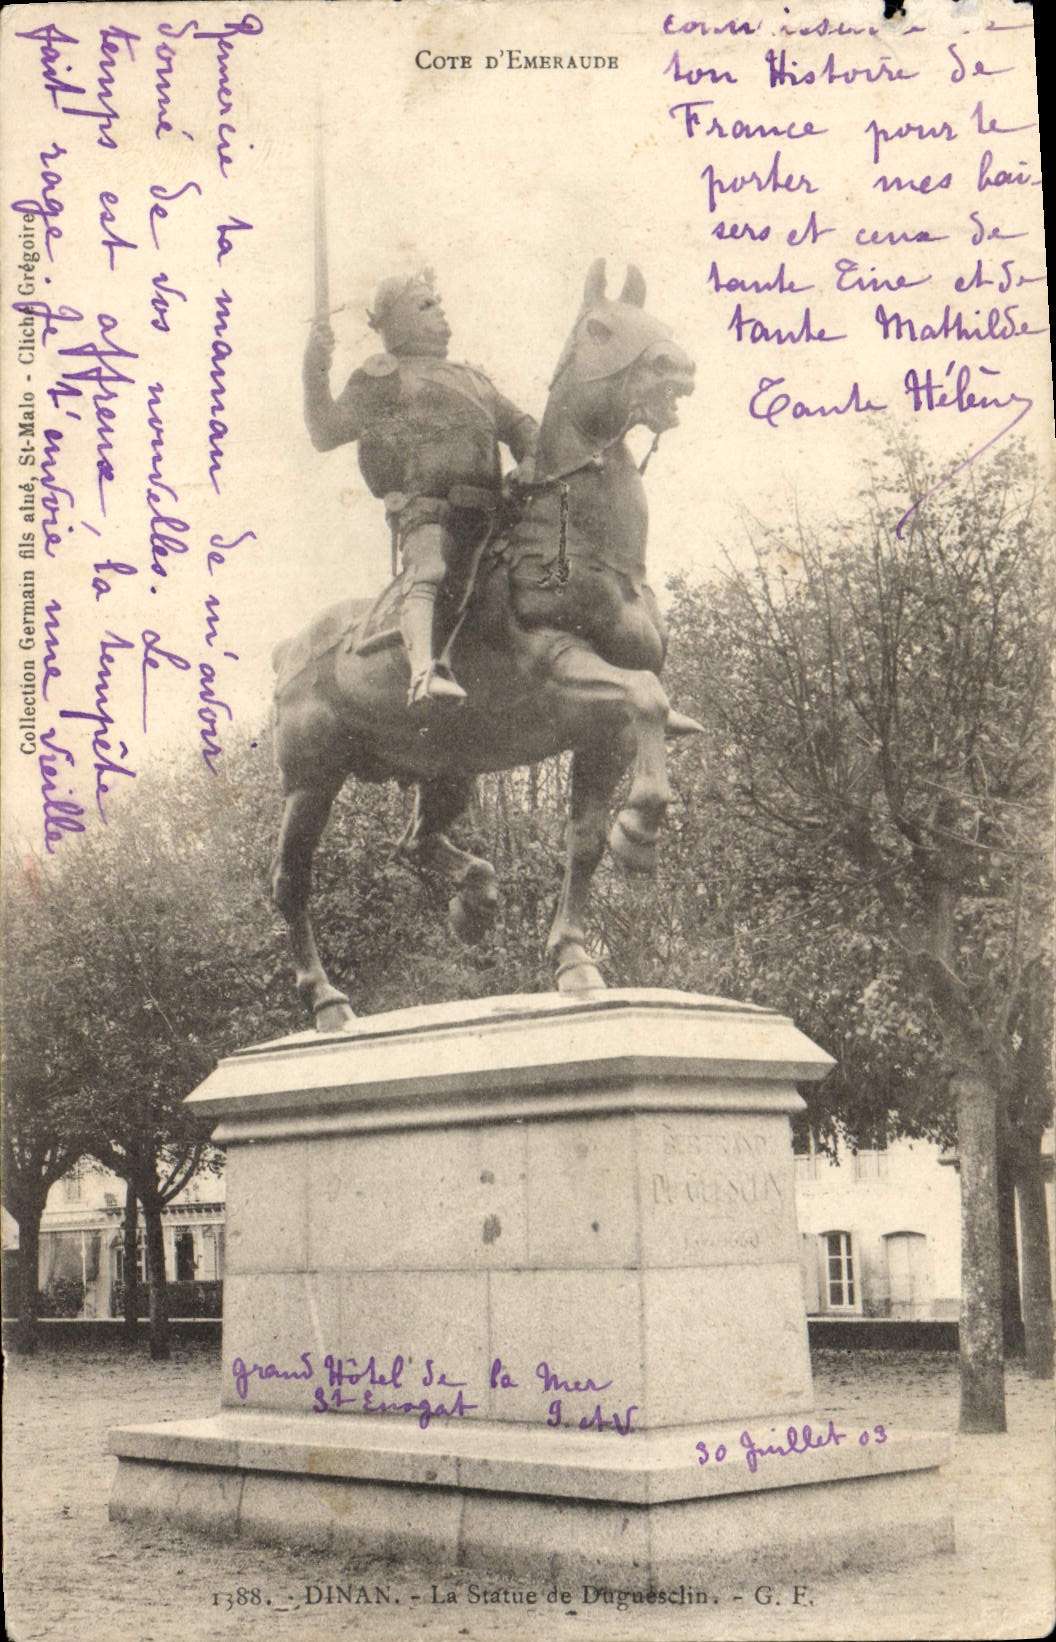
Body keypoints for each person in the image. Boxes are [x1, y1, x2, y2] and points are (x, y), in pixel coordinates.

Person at [303, 272, 538, 706]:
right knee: (429, 568)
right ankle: (423, 672)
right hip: (428, 510)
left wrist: (529, 461)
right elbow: (326, 431)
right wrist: (315, 367)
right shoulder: (383, 377)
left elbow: (522, 426)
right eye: (424, 306)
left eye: (438, 303)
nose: (439, 312)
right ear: (392, 321)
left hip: (493, 512)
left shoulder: (475, 380)